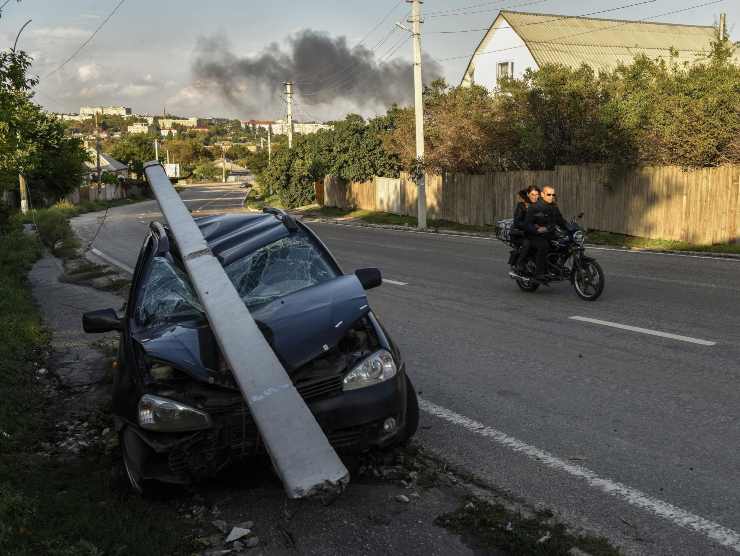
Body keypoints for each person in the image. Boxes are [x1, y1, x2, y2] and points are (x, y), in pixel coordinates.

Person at [524, 185, 567, 281]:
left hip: (549, 234)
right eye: (549, 194)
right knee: (543, 245)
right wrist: (537, 230)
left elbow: (561, 221)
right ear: (542, 194)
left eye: (553, 194)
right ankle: (539, 273)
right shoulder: (534, 207)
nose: (552, 196)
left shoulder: (554, 207)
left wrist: (571, 229)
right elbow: (527, 224)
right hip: (534, 235)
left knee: (565, 244)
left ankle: (554, 266)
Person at [512, 186, 539, 271]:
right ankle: (520, 263)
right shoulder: (521, 206)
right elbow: (517, 222)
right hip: (520, 233)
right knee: (527, 243)